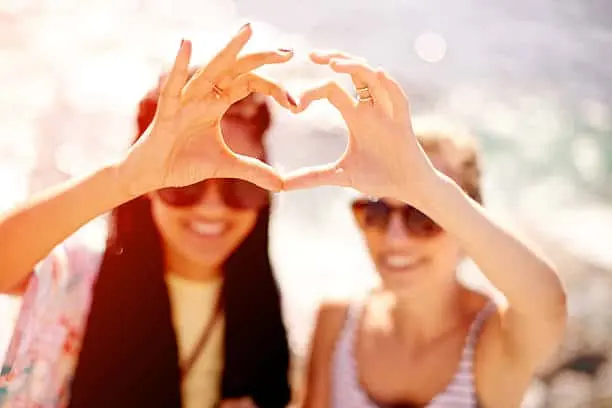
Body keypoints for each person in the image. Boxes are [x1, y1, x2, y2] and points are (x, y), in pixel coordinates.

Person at [0, 25, 299, 408]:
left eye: (239, 185)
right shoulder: (78, 279)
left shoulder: (261, 301)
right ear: (148, 190)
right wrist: (121, 179)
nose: (212, 206)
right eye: (185, 184)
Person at [284, 52, 568, 407]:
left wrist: (428, 187)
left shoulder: (491, 341)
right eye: (375, 212)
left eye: (425, 216)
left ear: (465, 221)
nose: (394, 237)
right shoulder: (336, 322)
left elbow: (548, 303)